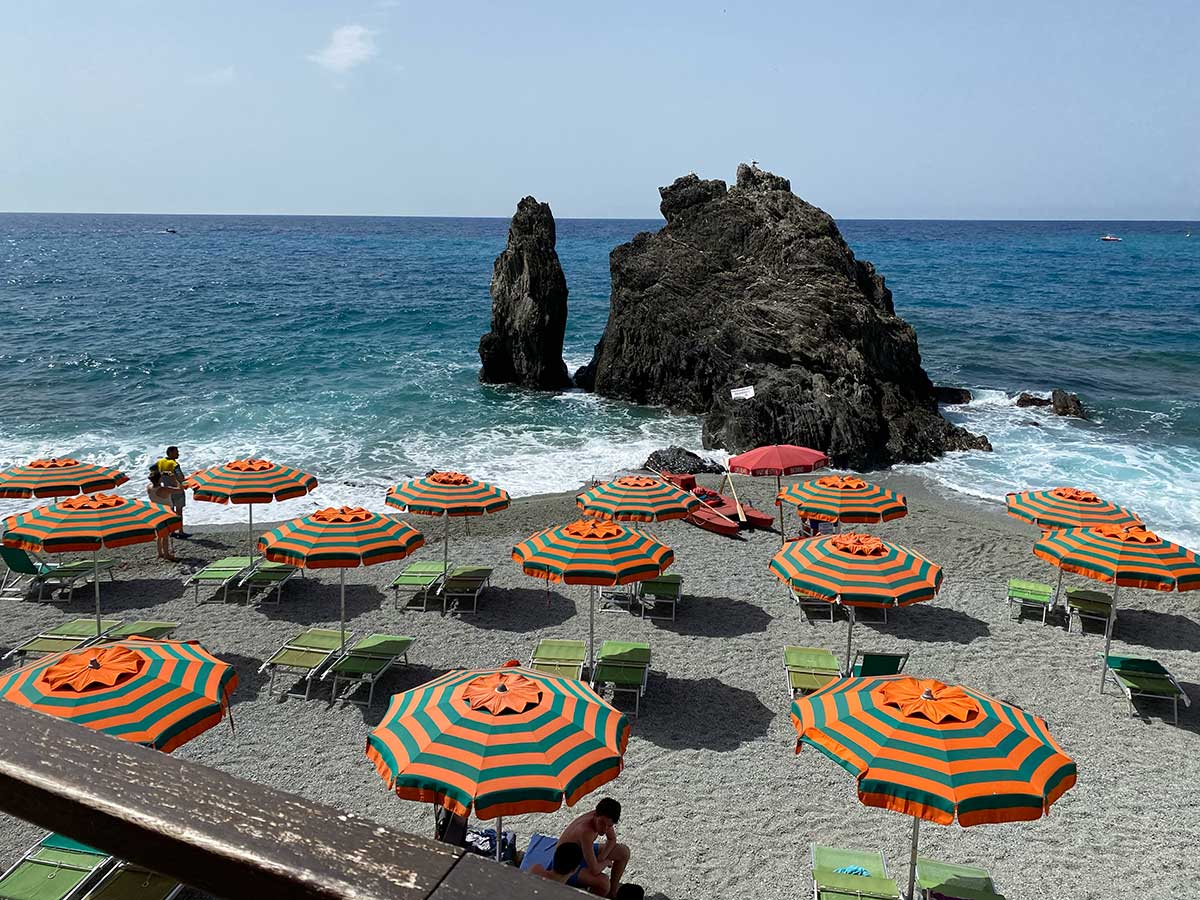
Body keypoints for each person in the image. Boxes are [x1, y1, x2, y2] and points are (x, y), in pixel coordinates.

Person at [558, 797, 630, 897]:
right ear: (595, 815)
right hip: (567, 863)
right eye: (602, 823)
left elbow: (612, 839)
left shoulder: (604, 817)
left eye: (609, 826)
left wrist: (602, 856)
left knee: (623, 852)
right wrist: (605, 862)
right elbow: (595, 870)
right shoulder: (586, 831)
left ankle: (612, 894)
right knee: (603, 883)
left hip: (582, 851)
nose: (605, 829)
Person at [156, 446, 190, 538]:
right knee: (179, 511)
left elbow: (156, 475)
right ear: (170, 453)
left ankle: (172, 531)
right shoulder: (174, 464)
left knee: (171, 511)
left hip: (166, 490)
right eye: (176, 452)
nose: (178, 454)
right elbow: (181, 477)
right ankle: (180, 531)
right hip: (177, 490)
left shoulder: (160, 462)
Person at [145, 467, 178, 561]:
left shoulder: (149, 488)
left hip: (155, 511)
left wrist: (159, 476)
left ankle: (160, 553)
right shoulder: (165, 489)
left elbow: (154, 482)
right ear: (160, 479)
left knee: (159, 534)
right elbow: (179, 488)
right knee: (165, 535)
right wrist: (173, 478)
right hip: (166, 512)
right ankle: (167, 554)